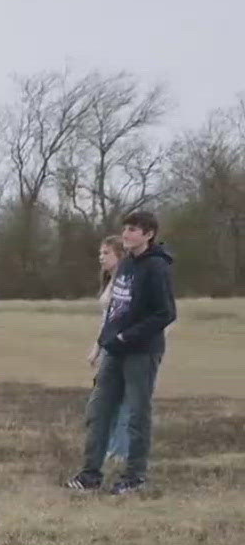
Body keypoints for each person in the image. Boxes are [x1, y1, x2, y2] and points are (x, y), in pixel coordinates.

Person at [68, 210, 175, 495]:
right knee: (99, 409)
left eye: (134, 230)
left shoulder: (157, 268)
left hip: (142, 351)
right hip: (114, 351)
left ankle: (135, 475)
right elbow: (117, 308)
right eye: (125, 228)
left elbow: (165, 313)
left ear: (149, 234)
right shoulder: (126, 265)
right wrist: (105, 340)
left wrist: (128, 336)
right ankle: (90, 473)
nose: (127, 234)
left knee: (138, 412)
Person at [87, 236, 134, 467]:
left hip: (124, 348)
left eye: (106, 253)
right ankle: (112, 448)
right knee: (107, 401)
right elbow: (106, 321)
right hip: (109, 346)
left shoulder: (127, 281)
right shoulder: (110, 281)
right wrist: (97, 348)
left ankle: (120, 452)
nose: (101, 257)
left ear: (119, 255)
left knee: (123, 401)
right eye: (100, 253)